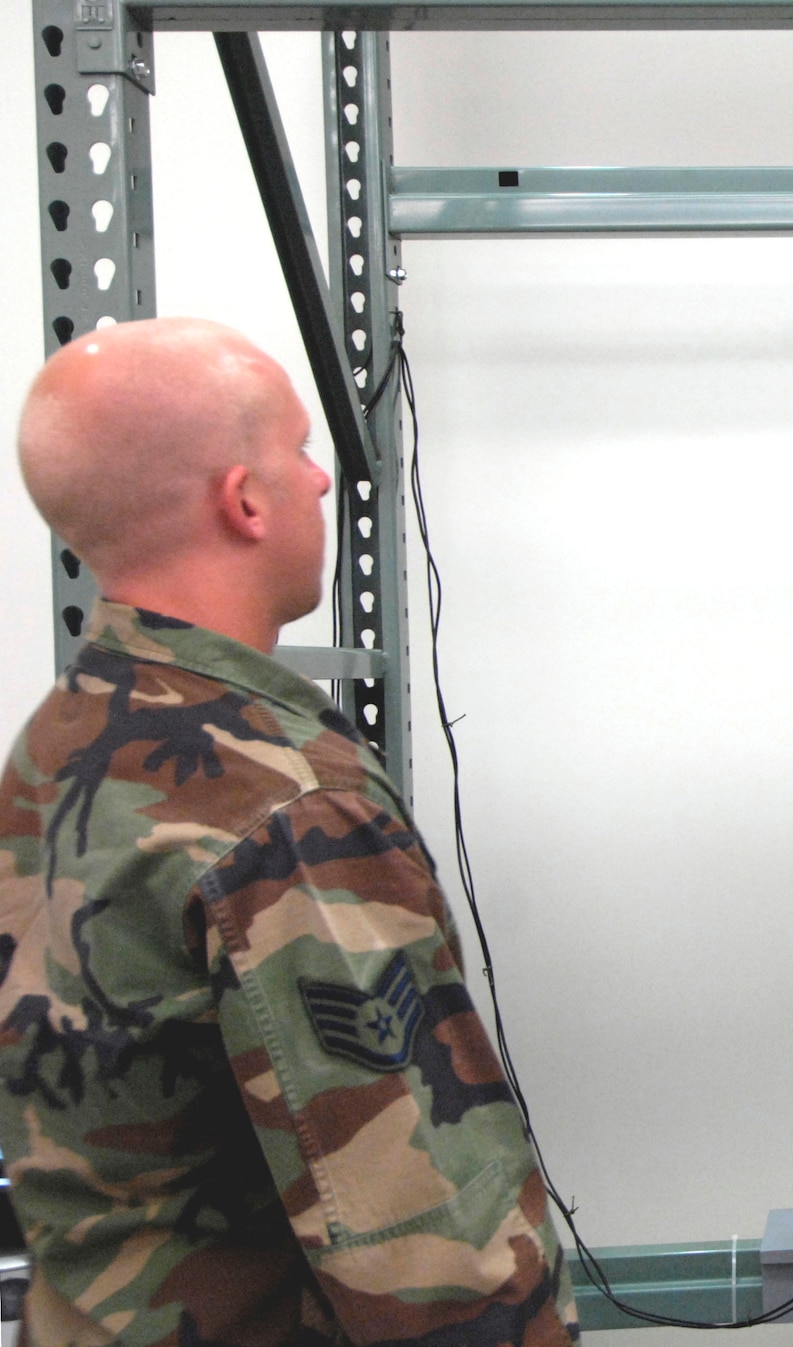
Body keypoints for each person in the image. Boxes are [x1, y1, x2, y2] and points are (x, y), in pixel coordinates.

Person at [1, 319, 578, 1346]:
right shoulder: (280, 808)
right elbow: (430, 1251)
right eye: (302, 454)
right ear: (244, 500)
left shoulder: (56, 748)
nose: (322, 484)